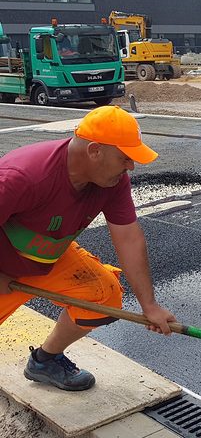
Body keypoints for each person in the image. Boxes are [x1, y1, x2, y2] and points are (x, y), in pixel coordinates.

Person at [0, 106, 176, 391]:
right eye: (125, 158)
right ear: (95, 151)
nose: (131, 166)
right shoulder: (22, 176)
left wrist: (150, 306)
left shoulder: (112, 182)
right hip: (3, 267)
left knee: (102, 295)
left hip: (46, 257)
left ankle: (45, 361)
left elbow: (129, 237)